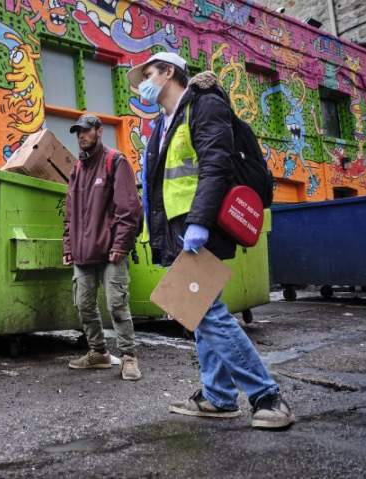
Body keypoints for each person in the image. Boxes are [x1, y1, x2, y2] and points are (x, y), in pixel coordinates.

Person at [128, 52, 294, 429]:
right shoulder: (162, 124)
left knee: (205, 312)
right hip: (179, 226)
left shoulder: (203, 106)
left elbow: (216, 165)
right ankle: (218, 396)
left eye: (148, 75)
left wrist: (200, 222)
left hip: (198, 224)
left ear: (169, 72)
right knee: (199, 310)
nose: (143, 86)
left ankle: (268, 397)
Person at [63, 114, 143, 380]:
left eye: (86, 130)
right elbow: (70, 213)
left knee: (117, 305)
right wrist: (68, 246)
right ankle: (98, 353)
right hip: (83, 250)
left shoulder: (114, 161)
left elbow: (128, 208)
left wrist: (121, 244)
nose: (81, 136)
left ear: (99, 131)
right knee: (83, 304)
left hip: (111, 250)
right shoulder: (77, 169)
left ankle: (129, 357)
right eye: (78, 132)